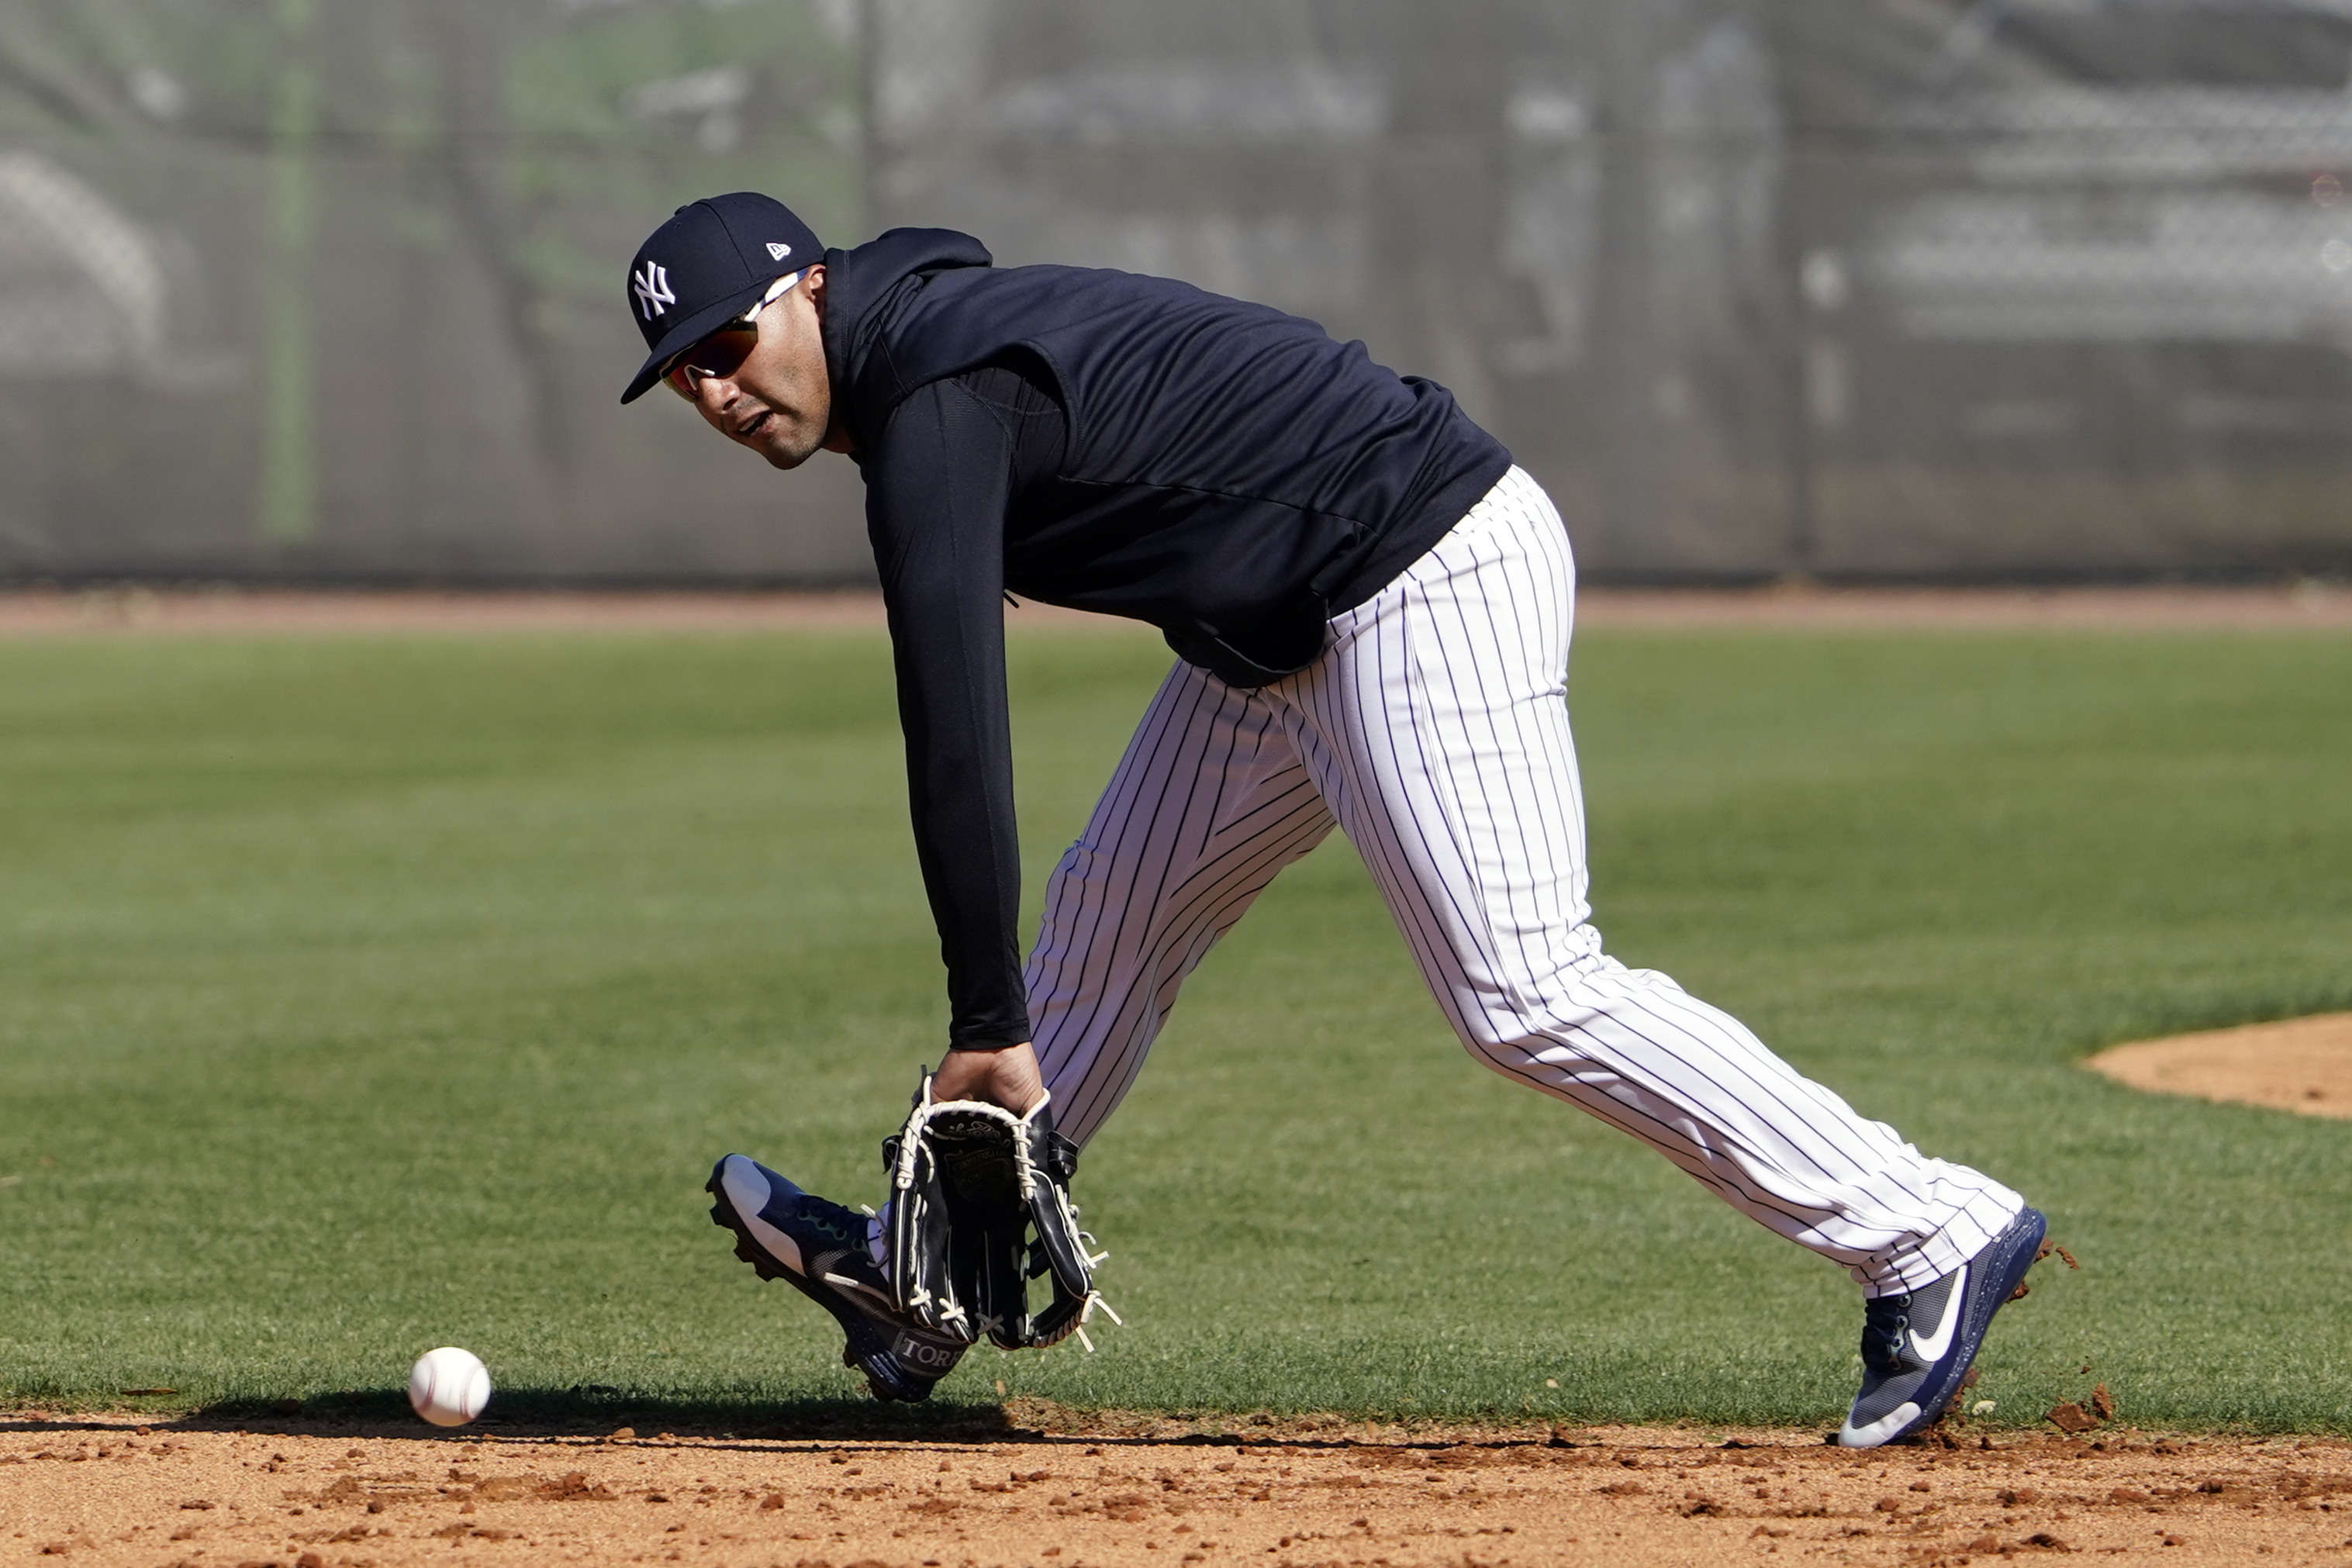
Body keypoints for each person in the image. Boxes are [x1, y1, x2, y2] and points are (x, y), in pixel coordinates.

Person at [619, 192, 2046, 1445]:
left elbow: (954, 728)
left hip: (1418, 564)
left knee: (1523, 989)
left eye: (728, 348)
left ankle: (1924, 1230)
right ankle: (915, 1285)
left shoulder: (932, 395)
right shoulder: (909, 335)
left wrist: (985, 1020)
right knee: (1111, 909)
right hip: (1267, 630)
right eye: (684, 380)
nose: (717, 395)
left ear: (807, 286)